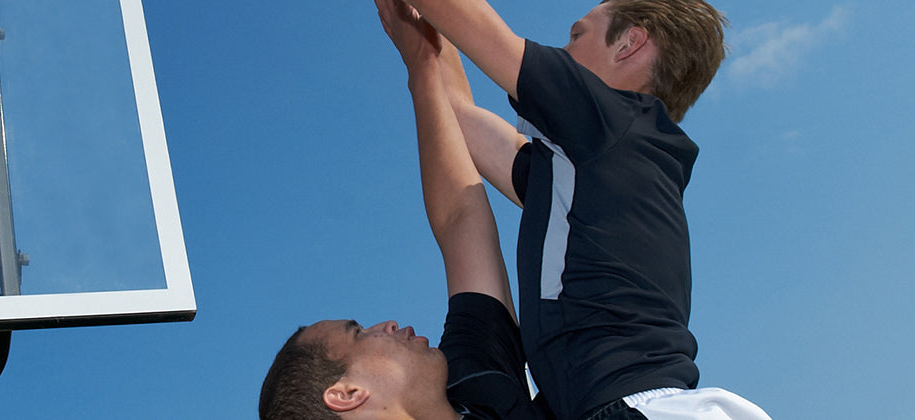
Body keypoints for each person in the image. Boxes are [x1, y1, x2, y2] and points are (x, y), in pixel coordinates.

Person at [261, 0, 770, 419]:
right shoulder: (584, 159)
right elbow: (461, 109)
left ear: (633, 45)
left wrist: (425, 55)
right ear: (345, 394)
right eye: (357, 333)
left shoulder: (615, 131)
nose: (562, 49)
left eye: (575, 35)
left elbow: (462, 219)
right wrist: (424, 58)